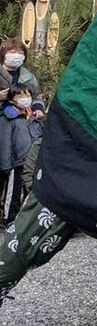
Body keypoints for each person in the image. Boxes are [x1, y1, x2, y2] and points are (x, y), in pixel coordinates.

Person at [0, 83, 42, 224]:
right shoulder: (8, 117)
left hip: (32, 162)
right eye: (20, 95)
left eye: (28, 94)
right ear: (12, 99)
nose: (25, 98)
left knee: (32, 191)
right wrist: (5, 165)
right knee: (13, 194)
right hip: (15, 163)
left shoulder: (33, 117)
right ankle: (9, 219)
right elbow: (4, 143)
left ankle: (28, 220)